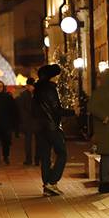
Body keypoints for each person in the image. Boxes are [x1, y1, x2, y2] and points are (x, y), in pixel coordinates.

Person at [34, 64, 74, 197]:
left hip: (40, 128)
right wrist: (73, 112)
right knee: (62, 153)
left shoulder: (37, 90)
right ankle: (52, 181)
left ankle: (47, 186)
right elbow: (56, 110)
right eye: (56, 77)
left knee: (45, 157)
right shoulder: (50, 90)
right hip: (51, 127)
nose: (57, 79)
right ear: (52, 77)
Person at [16, 77, 38, 165]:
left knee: (38, 141)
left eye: (32, 86)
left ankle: (37, 159)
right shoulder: (23, 95)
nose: (31, 87)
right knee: (28, 142)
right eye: (30, 86)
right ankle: (28, 159)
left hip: (37, 121)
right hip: (28, 121)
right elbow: (22, 109)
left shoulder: (38, 94)